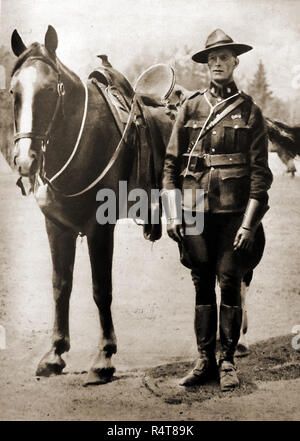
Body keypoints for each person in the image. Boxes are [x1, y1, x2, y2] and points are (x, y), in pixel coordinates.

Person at [162, 29, 273, 391]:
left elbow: (260, 175)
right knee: (201, 284)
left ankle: (227, 363)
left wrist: (248, 225)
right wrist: (173, 213)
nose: (217, 64)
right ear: (205, 66)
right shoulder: (191, 107)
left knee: (228, 280)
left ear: (235, 62)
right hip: (193, 213)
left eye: (223, 58)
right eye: (211, 59)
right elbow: (170, 166)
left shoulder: (249, 111)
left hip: (232, 216)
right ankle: (204, 360)